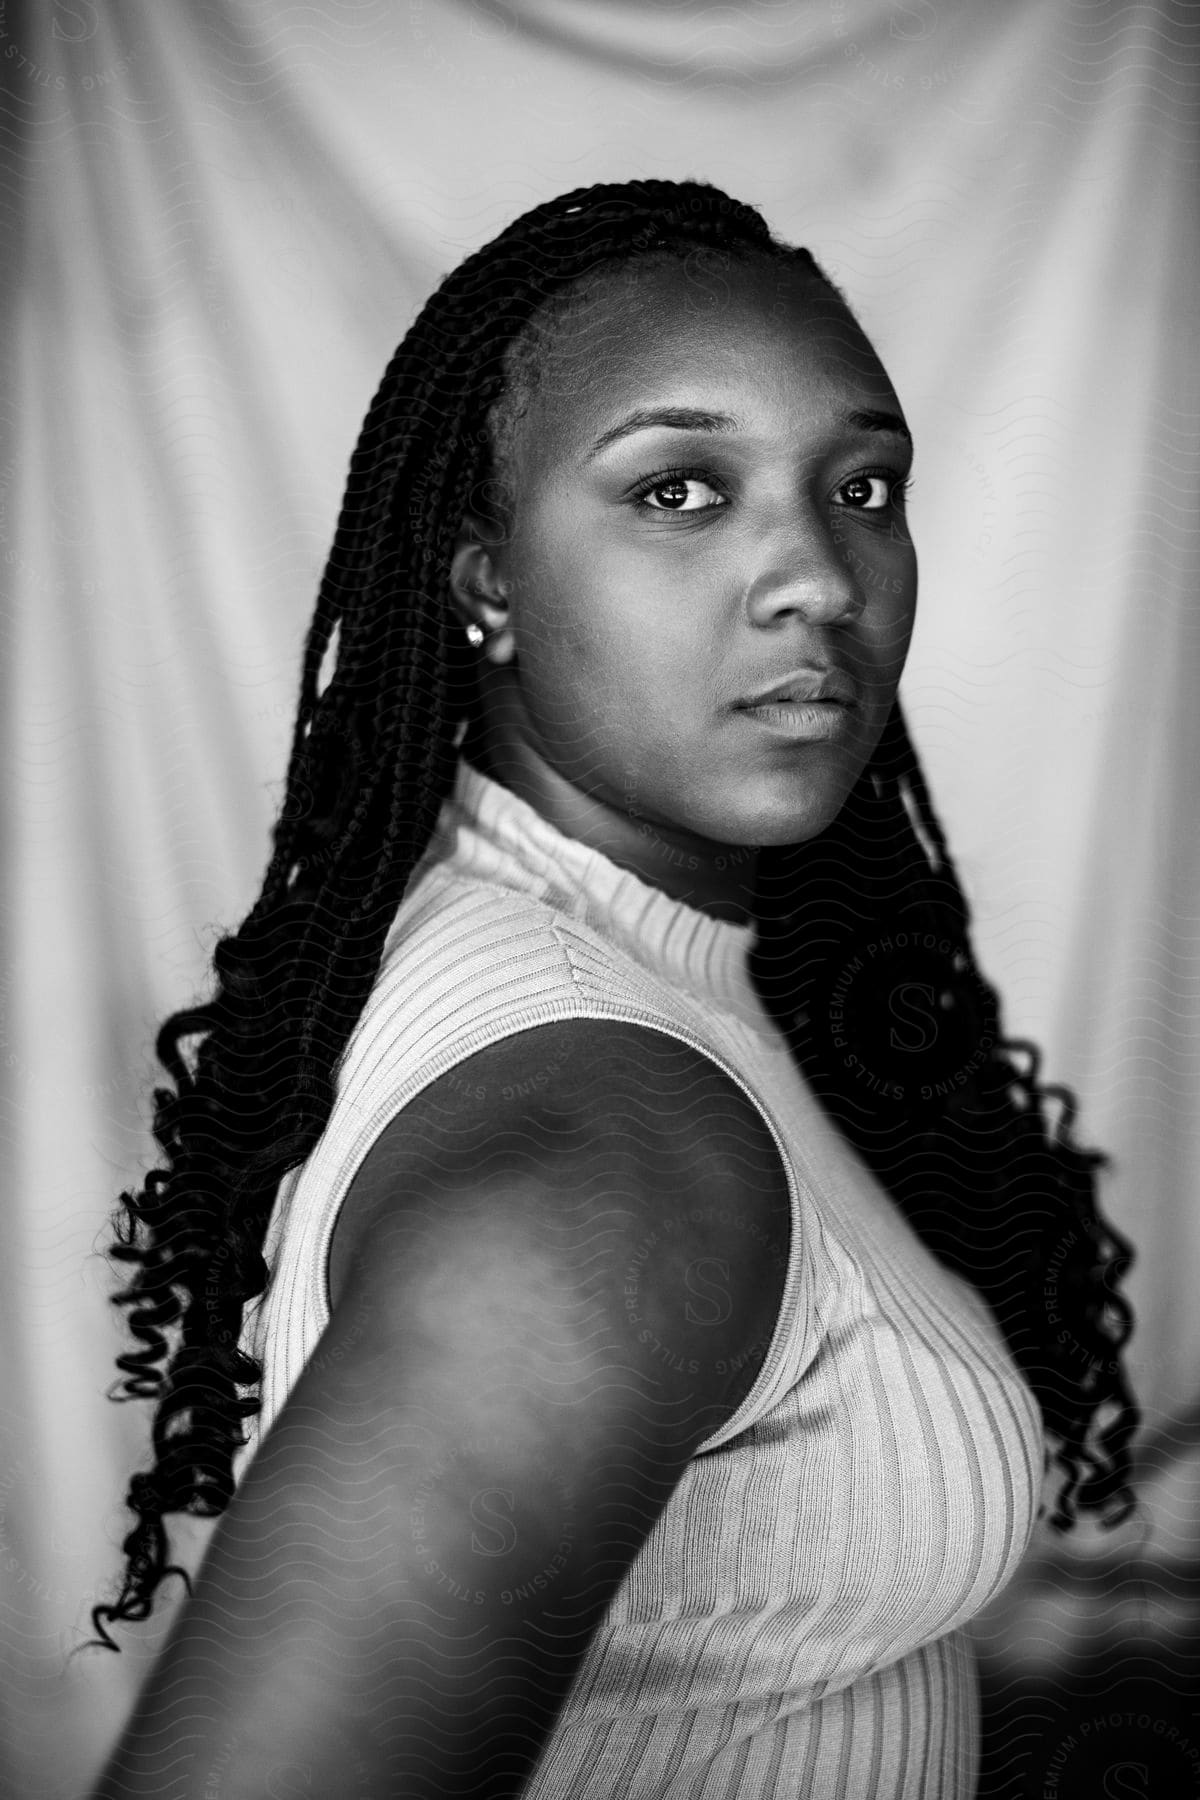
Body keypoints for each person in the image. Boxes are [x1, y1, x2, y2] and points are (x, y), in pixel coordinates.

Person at [84, 179, 1140, 1799]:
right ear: (484, 584)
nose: (818, 577)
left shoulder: (638, 955)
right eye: (679, 490)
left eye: (862, 483)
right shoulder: (607, 1151)